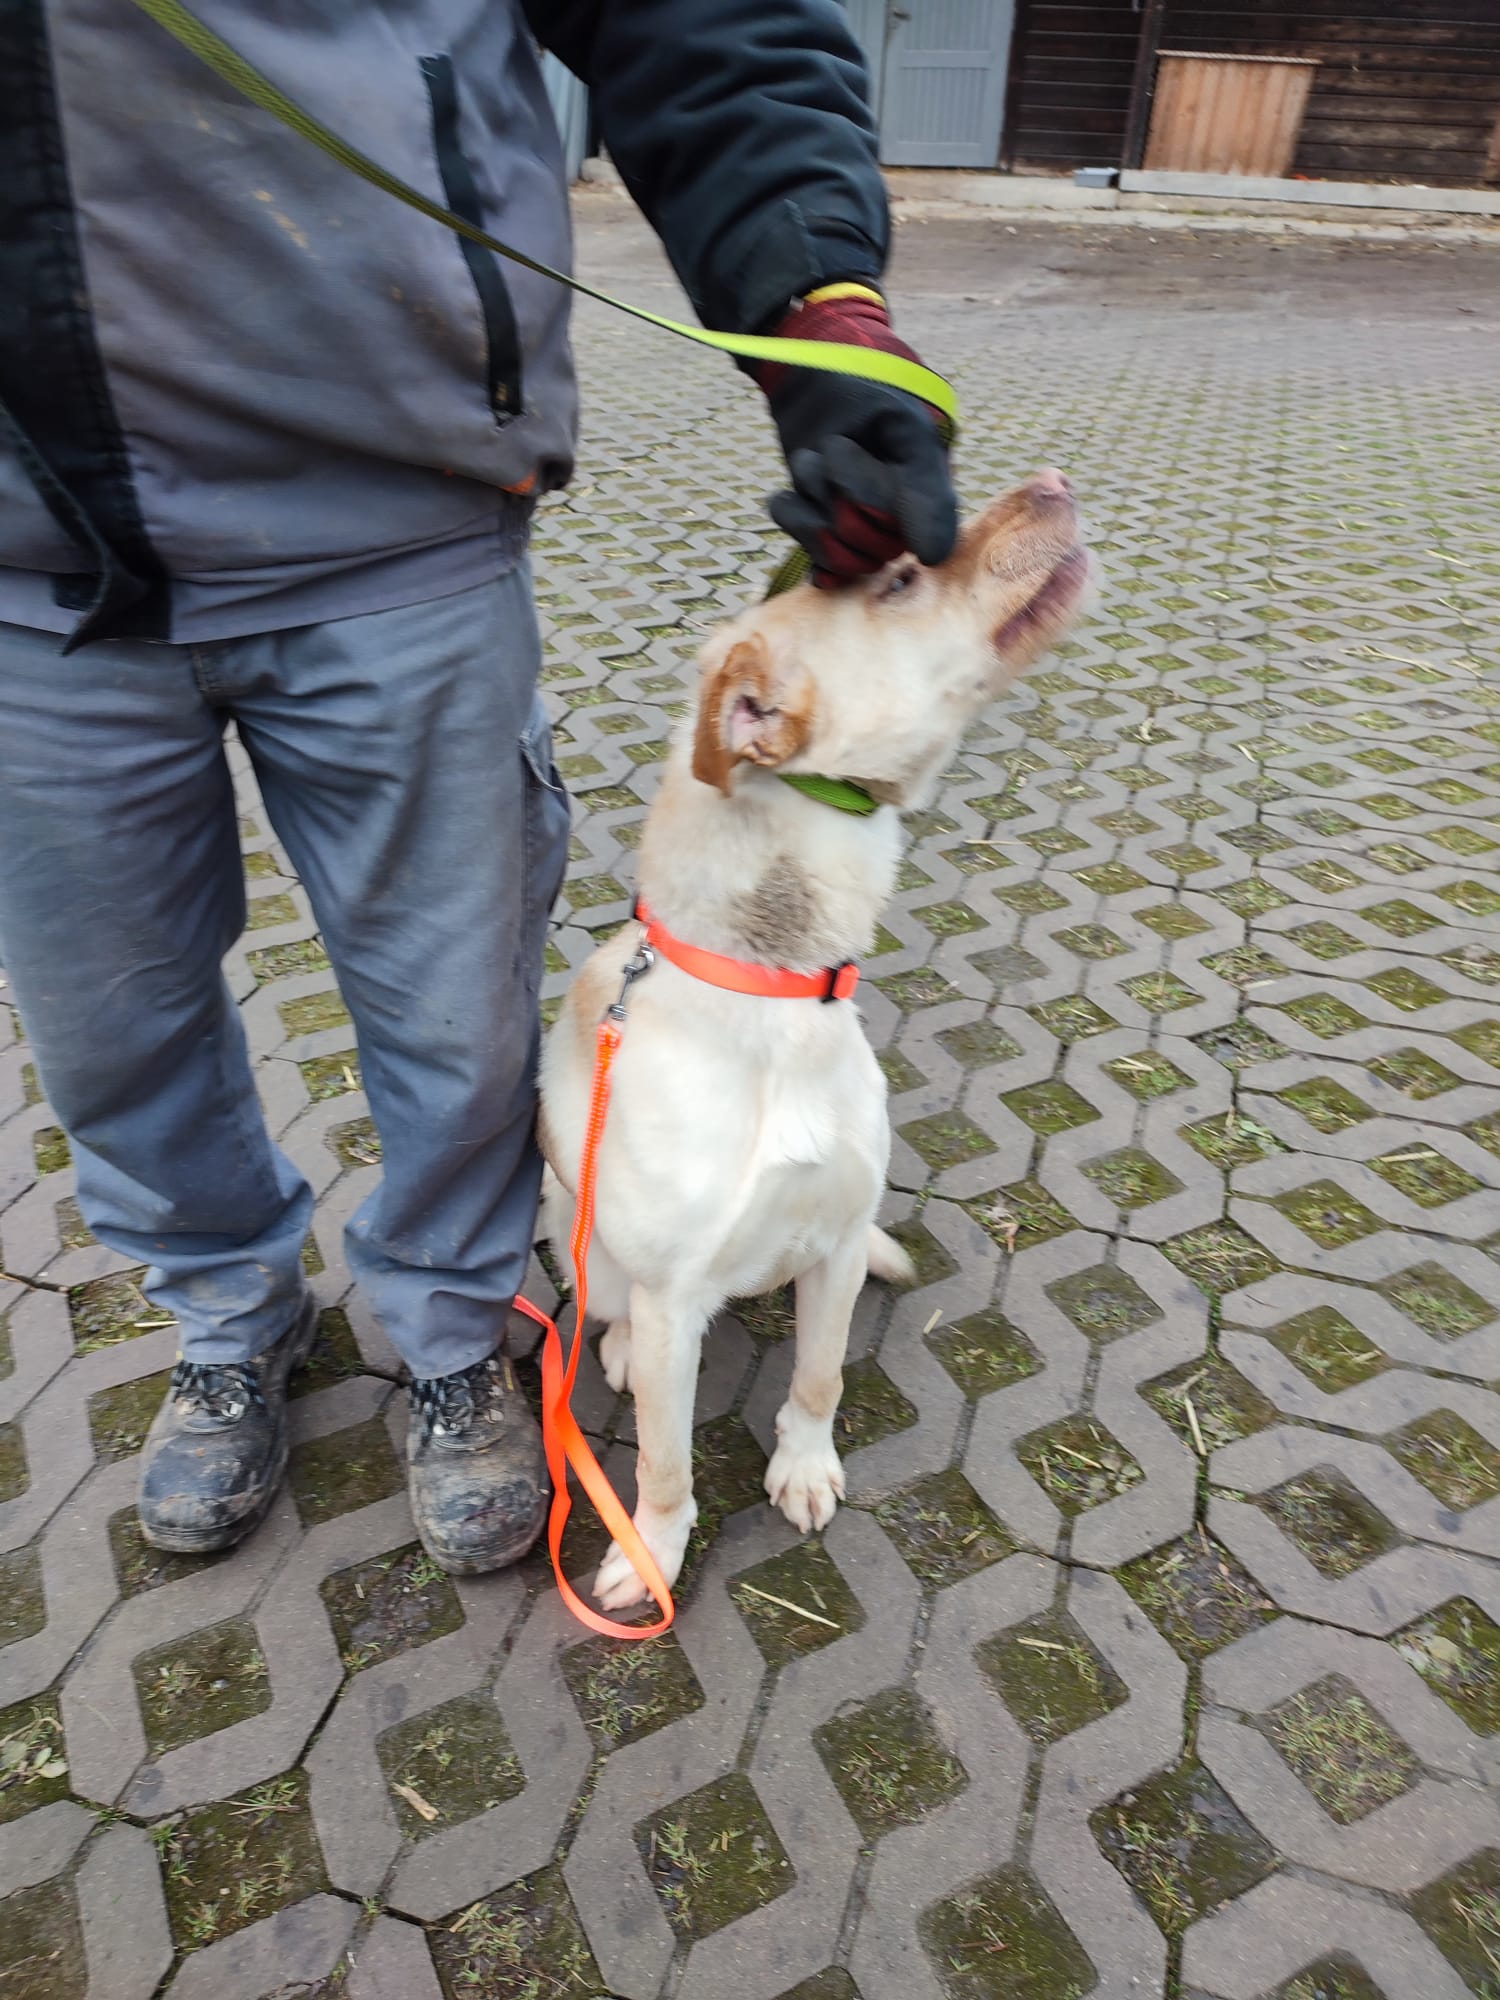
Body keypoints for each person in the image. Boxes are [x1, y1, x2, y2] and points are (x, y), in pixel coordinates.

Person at [0, 0, 957, 1575]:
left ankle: (453, 1331)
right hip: (26, 576)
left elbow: (696, 18)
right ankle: (230, 1316)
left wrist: (819, 304)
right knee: (110, 1029)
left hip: (396, 527)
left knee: (456, 1017)